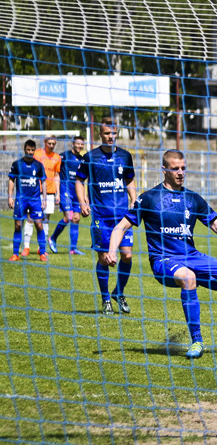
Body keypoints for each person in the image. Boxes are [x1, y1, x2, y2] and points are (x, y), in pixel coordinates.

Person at [103, 150, 217, 359]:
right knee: (188, 277)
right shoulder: (149, 198)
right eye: (175, 168)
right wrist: (111, 251)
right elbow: (120, 227)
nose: (180, 172)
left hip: (193, 257)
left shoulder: (193, 199)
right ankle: (197, 341)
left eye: (183, 168)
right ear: (164, 170)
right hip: (163, 260)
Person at [75, 118, 136, 315]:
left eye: (114, 133)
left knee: (126, 255)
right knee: (104, 258)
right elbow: (79, 180)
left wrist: (134, 199)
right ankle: (106, 298)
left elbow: (129, 179)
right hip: (101, 217)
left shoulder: (125, 157)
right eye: (107, 133)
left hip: (122, 216)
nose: (111, 136)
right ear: (100, 135)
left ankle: (118, 292)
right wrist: (83, 202)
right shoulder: (90, 157)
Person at [7, 140, 48, 262]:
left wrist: (44, 198)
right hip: (21, 199)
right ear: (24, 149)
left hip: (35, 200)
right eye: (28, 150)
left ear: (34, 151)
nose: (30, 152)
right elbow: (11, 180)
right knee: (18, 225)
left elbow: (44, 181)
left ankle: (42, 253)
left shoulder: (38, 165)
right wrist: (10, 196)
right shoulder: (17, 164)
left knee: (39, 224)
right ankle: (15, 254)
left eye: (32, 150)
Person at [22, 135, 61, 255]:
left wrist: (58, 193)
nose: (51, 145)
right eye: (49, 143)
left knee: (45, 220)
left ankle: (41, 248)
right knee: (30, 218)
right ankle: (26, 247)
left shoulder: (57, 157)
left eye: (53, 143)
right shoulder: (37, 154)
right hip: (34, 192)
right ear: (44, 142)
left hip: (49, 193)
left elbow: (56, 176)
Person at [50, 135, 86, 255]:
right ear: (73, 143)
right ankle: (53, 238)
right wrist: (57, 193)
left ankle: (73, 248)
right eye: (78, 143)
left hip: (77, 192)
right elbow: (57, 173)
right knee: (69, 216)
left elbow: (82, 179)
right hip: (66, 190)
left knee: (76, 218)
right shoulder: (64, 156)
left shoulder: (82, 160)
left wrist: (85, 197)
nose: (80, 146)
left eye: (82, 144)